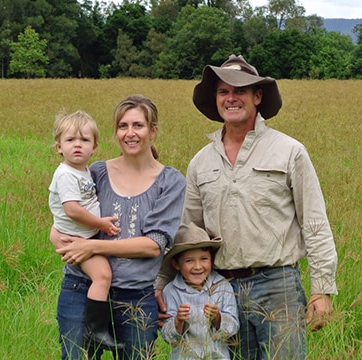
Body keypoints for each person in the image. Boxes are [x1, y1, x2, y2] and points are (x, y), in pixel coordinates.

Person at [156, 55, 338, 360]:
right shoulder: (201, 162)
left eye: (240, 91)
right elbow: (186, 230)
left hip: (278, 284)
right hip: (222, 289)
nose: (231, 98)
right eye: (223, 92)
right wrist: (162, 284)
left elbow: (315, 222)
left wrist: (322, 288)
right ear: (215, 100)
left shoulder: (289, 151)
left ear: (258, 96)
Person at [51, 95, 186, 360]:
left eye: (138, 125)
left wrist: (91, 245)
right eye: (123, 126)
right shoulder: (97, 171)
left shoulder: (170, 181)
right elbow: (68, 213)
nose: (130, 133)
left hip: (135, 297)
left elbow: (153, 245)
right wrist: (55, 233)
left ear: (153, 130)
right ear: (115, 132)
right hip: (81, 288)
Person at [48, 110, 122, 350]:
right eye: (70, 140)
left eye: (84, 140)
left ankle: (96, 328)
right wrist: (101, 224)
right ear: (59, 147)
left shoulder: (83, 171)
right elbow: (72, 210)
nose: (77, 145)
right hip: (77, 239)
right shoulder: (67, 175)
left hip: (81, 236)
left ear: (95, 147)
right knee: (103, 276)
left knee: (102, 276)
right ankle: (96, 330)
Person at [161, 222, 239, 360]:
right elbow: (168, 336)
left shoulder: (222, 286)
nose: (197, 266)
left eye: (204, 259)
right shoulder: (171, 291)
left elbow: (233, 327)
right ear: (176, 264)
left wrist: (217, 318)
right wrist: (178, 321)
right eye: (189, 261)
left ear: (212, 259)